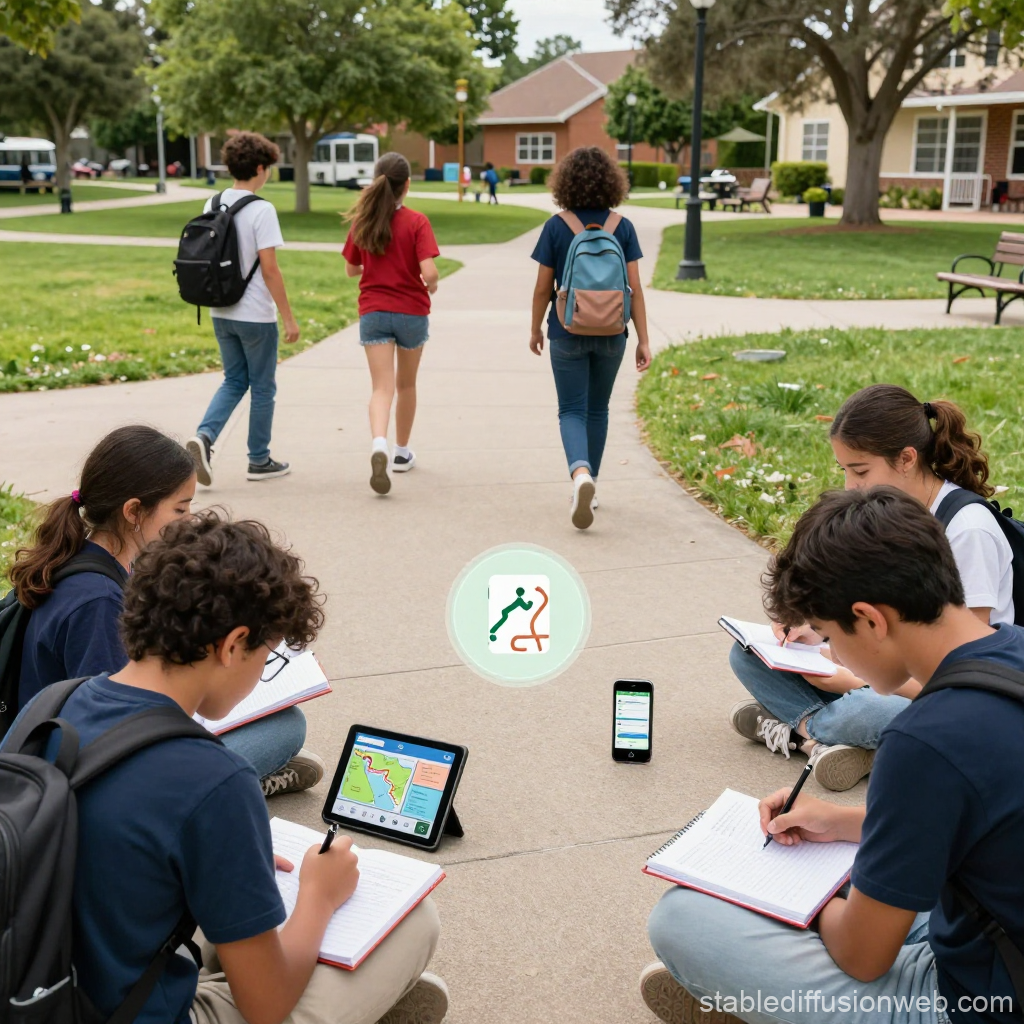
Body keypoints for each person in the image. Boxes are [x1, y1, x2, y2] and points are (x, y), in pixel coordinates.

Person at [2, 512, 447, 1024]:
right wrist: (318, 897)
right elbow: (265, 1006)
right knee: (416, 922)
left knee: (227, 910)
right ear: (233, 645)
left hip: (33, 985)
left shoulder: (50, 707)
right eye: (266, 656)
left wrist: (231, 861)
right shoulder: (214, 780)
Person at [643, 486, 1024, 1024]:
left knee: (682, 918)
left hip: (976, 1002)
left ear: (870, 619)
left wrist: (805, 898)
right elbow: (986, 820)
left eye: (827, 636)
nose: (830, 654)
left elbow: (863, 957)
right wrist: (842, 822)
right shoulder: (1014, 646)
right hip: (993, 932)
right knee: (854, 880)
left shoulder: (922, 742)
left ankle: (756, 1000)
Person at [9, 425, 322, 797]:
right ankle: (236, 785)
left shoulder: (85, 559)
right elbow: (111, 730)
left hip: (58, 752)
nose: (188, 520)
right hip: (83, 779)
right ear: (134, 511)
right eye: (180, 508)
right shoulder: (97, 601)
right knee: (286, 728)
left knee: (277, 721)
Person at [729, 384, 1013, 791]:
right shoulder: (891, 516)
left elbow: (962, 672)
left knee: (865, 709)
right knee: (747, 656)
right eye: (843, 471)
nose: (850, 486)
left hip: (948, 692)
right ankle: (831, 738)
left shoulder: (968, 531)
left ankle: (804, 735)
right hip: (888, 660)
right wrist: (820, 631)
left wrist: (851, 681)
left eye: (860, 471)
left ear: (907, 459)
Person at [529, 146, 652, 530]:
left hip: (566, 330)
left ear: (564, 182)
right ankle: (591, 485)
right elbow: (635, 289)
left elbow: (542, 288)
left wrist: (535, 328)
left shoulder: (556, 226)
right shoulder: (622, 227)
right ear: (611, 182)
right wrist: (643, 339)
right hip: (613, 332)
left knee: (571, 410)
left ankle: (579, 474)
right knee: (598, 409)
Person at [187, 132, 299, 486]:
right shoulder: (262, 209)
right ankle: (259, 460)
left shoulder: (213, 201)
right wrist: (288, 317)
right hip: (255, 316)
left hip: (221, 309)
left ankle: (204, 437)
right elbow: (270, 269)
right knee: (263, 387)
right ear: (261, 168)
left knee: (234, 381)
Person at [342, 152, 440, 495]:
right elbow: (429, 272)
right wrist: (431, 283)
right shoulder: (417, 222)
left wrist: (373, 268)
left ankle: (378, 443)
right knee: (406, 385)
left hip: (373, 311)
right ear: (407, 185)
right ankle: (401, 453)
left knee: (381, 388)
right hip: (411, 312)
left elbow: (351, 269)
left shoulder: (363, 221)